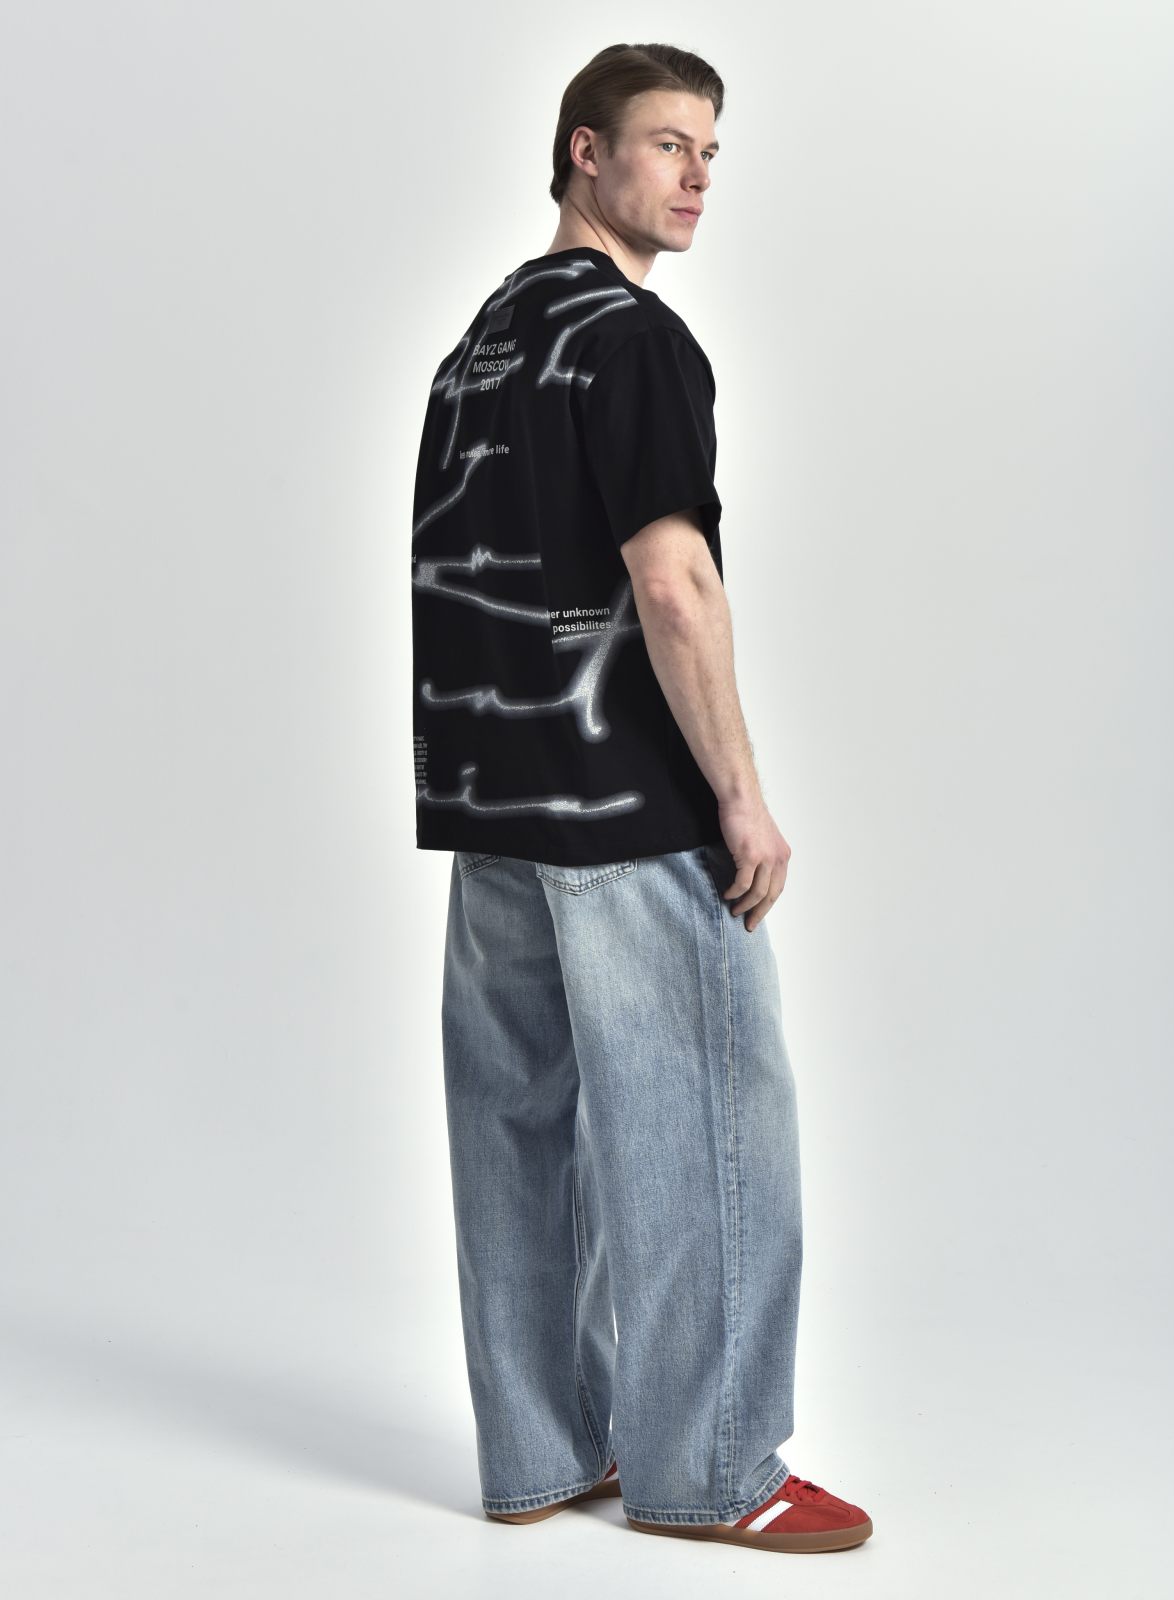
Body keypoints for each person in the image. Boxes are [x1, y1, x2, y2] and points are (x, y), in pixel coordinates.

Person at [409, 41, 873, 1555]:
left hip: (493, 810)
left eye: (710, 153)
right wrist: (740, 797)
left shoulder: (477, 347)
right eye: (668, 144)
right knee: (710, 1122)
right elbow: (673, 586)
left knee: (518, 1130)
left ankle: (544, 1449)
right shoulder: (633, 338)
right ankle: (716, 1470)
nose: (696, 177)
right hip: (622, 807)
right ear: (583, 150)